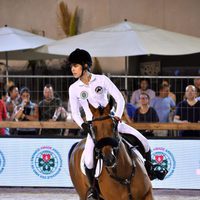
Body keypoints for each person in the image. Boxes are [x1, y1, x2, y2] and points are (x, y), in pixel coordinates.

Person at [68, 49, 167, 200]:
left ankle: (149, 170)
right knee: (88, 159)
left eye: (75, 65)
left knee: (144, 142)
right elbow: (75, 113)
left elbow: (119, 99)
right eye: (72, 66)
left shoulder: (102, 80)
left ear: (85, 65)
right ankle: (93, 190)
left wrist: (117, 117)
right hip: (94, 128)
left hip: (112, 122)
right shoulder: (74, 88)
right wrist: (84, 125)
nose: (72, 69)